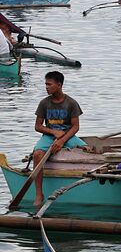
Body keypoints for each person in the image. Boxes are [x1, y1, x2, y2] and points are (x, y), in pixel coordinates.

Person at [33, 71, 88, 206]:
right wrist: (53, 132)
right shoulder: (44, 103)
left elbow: (75, 127)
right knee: (37, 154)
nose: (46, 87)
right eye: (45, 84)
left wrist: (62, 140)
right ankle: (39, 193)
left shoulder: (71, 103)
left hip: (67, 135)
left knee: (87, 150)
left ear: (59, 85)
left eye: (49, 84)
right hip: (48, 136)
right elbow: (38, 126)